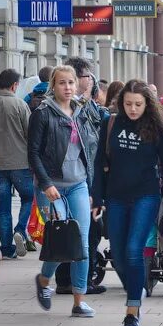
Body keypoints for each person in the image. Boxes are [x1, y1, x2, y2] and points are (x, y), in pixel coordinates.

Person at [91, 80, 163, 326]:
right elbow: (99, 163)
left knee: (133, 249)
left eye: (138, 104)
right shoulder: (111, 124)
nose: (133, 109)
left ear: (147, 104)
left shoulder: (159, 129)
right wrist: (97, 198)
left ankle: (132, 312)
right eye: (128, 103)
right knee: (117, 254)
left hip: (146, 196)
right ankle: (135, 287)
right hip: (116, 196)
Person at [28, 65, 99, 318]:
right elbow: (33, 153)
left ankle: (79, 301)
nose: (67, 87)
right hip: (51, 186)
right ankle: (45, 280)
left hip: (78, 184)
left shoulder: (81, 112)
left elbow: (91, 149)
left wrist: (93, 186)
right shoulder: (43, 113)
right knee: (61, 241)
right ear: (53, 86)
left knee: (81, 243)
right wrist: (46, 184)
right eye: (62, 83)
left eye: (71, 82)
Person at [54, 57, 110, 296]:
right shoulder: (75, 108)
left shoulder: (85, 106)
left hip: (82, 177)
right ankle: (75, 281)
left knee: (75, 230)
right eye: (88, 76)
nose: (92, 80)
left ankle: (70, 280)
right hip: (78, 179)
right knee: (84, 231)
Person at [0, 68, 35, 259]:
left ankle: (6, 249)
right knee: (29, 198)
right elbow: (30, 134)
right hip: (21, 162)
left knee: (2, 208)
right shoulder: (20, 105)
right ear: (14, 85)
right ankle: (20, 229)